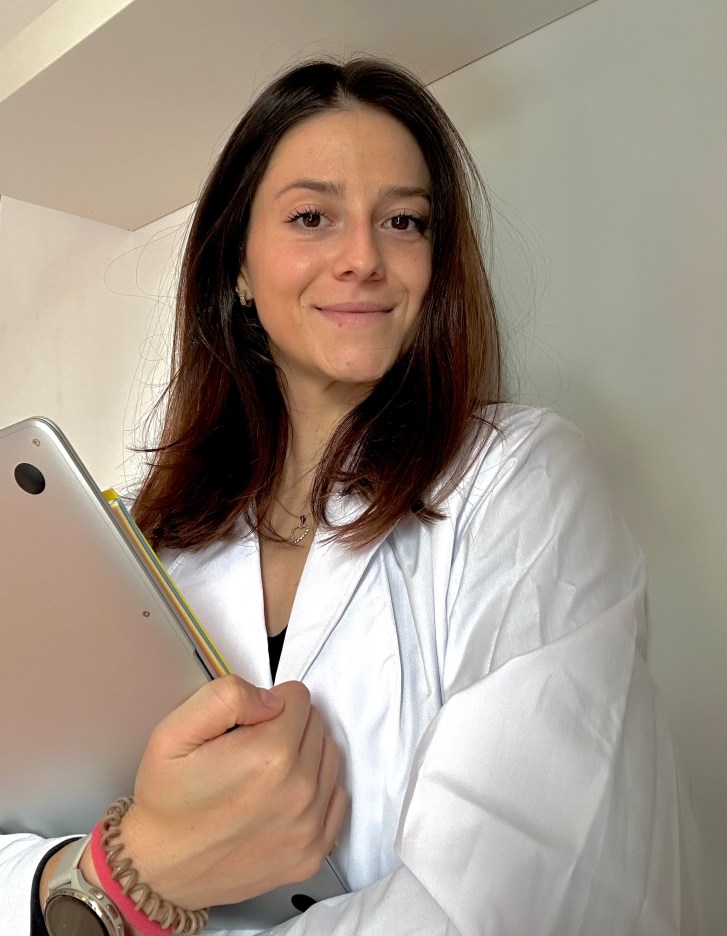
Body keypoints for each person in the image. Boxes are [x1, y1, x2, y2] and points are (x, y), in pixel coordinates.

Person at [2, 57, 702, 935]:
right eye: (312, 217)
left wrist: (130, 898)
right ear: (238, 267)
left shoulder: (519, 480)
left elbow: (516, 894)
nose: (364, 258)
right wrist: (118, 872)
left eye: (403, 221)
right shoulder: (144, 531)